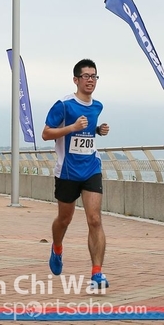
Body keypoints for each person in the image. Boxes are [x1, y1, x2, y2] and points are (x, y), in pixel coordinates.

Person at [42, 58, 110, 290]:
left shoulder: (97, 106)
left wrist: (98, 130)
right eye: (86, 76)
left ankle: (97, 273)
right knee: (64, 219)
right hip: (67, 171)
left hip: (91, 167)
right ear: (76, 80)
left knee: (95, 219)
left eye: (94, 76)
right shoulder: (64, 105)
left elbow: (87, 131)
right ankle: (57, 248)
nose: (90, 80)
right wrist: (71, 128)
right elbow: (46, 133)